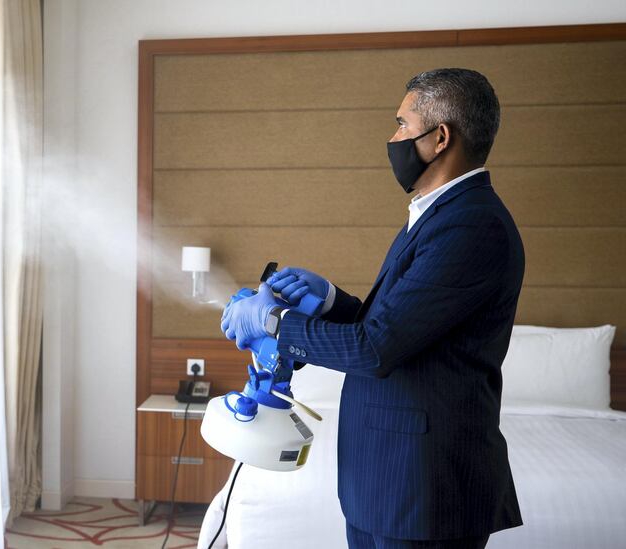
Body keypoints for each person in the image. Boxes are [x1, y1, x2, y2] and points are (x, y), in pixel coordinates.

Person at [220, 68, 524, 549]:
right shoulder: (438, 214)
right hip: (386, 481)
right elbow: (399, 327)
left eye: (402, 124)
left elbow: (376, 349)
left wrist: (272, 320)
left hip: (423, 490)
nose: (393, 137)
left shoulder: (470, 227)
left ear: (440, 137)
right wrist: (331, 302)